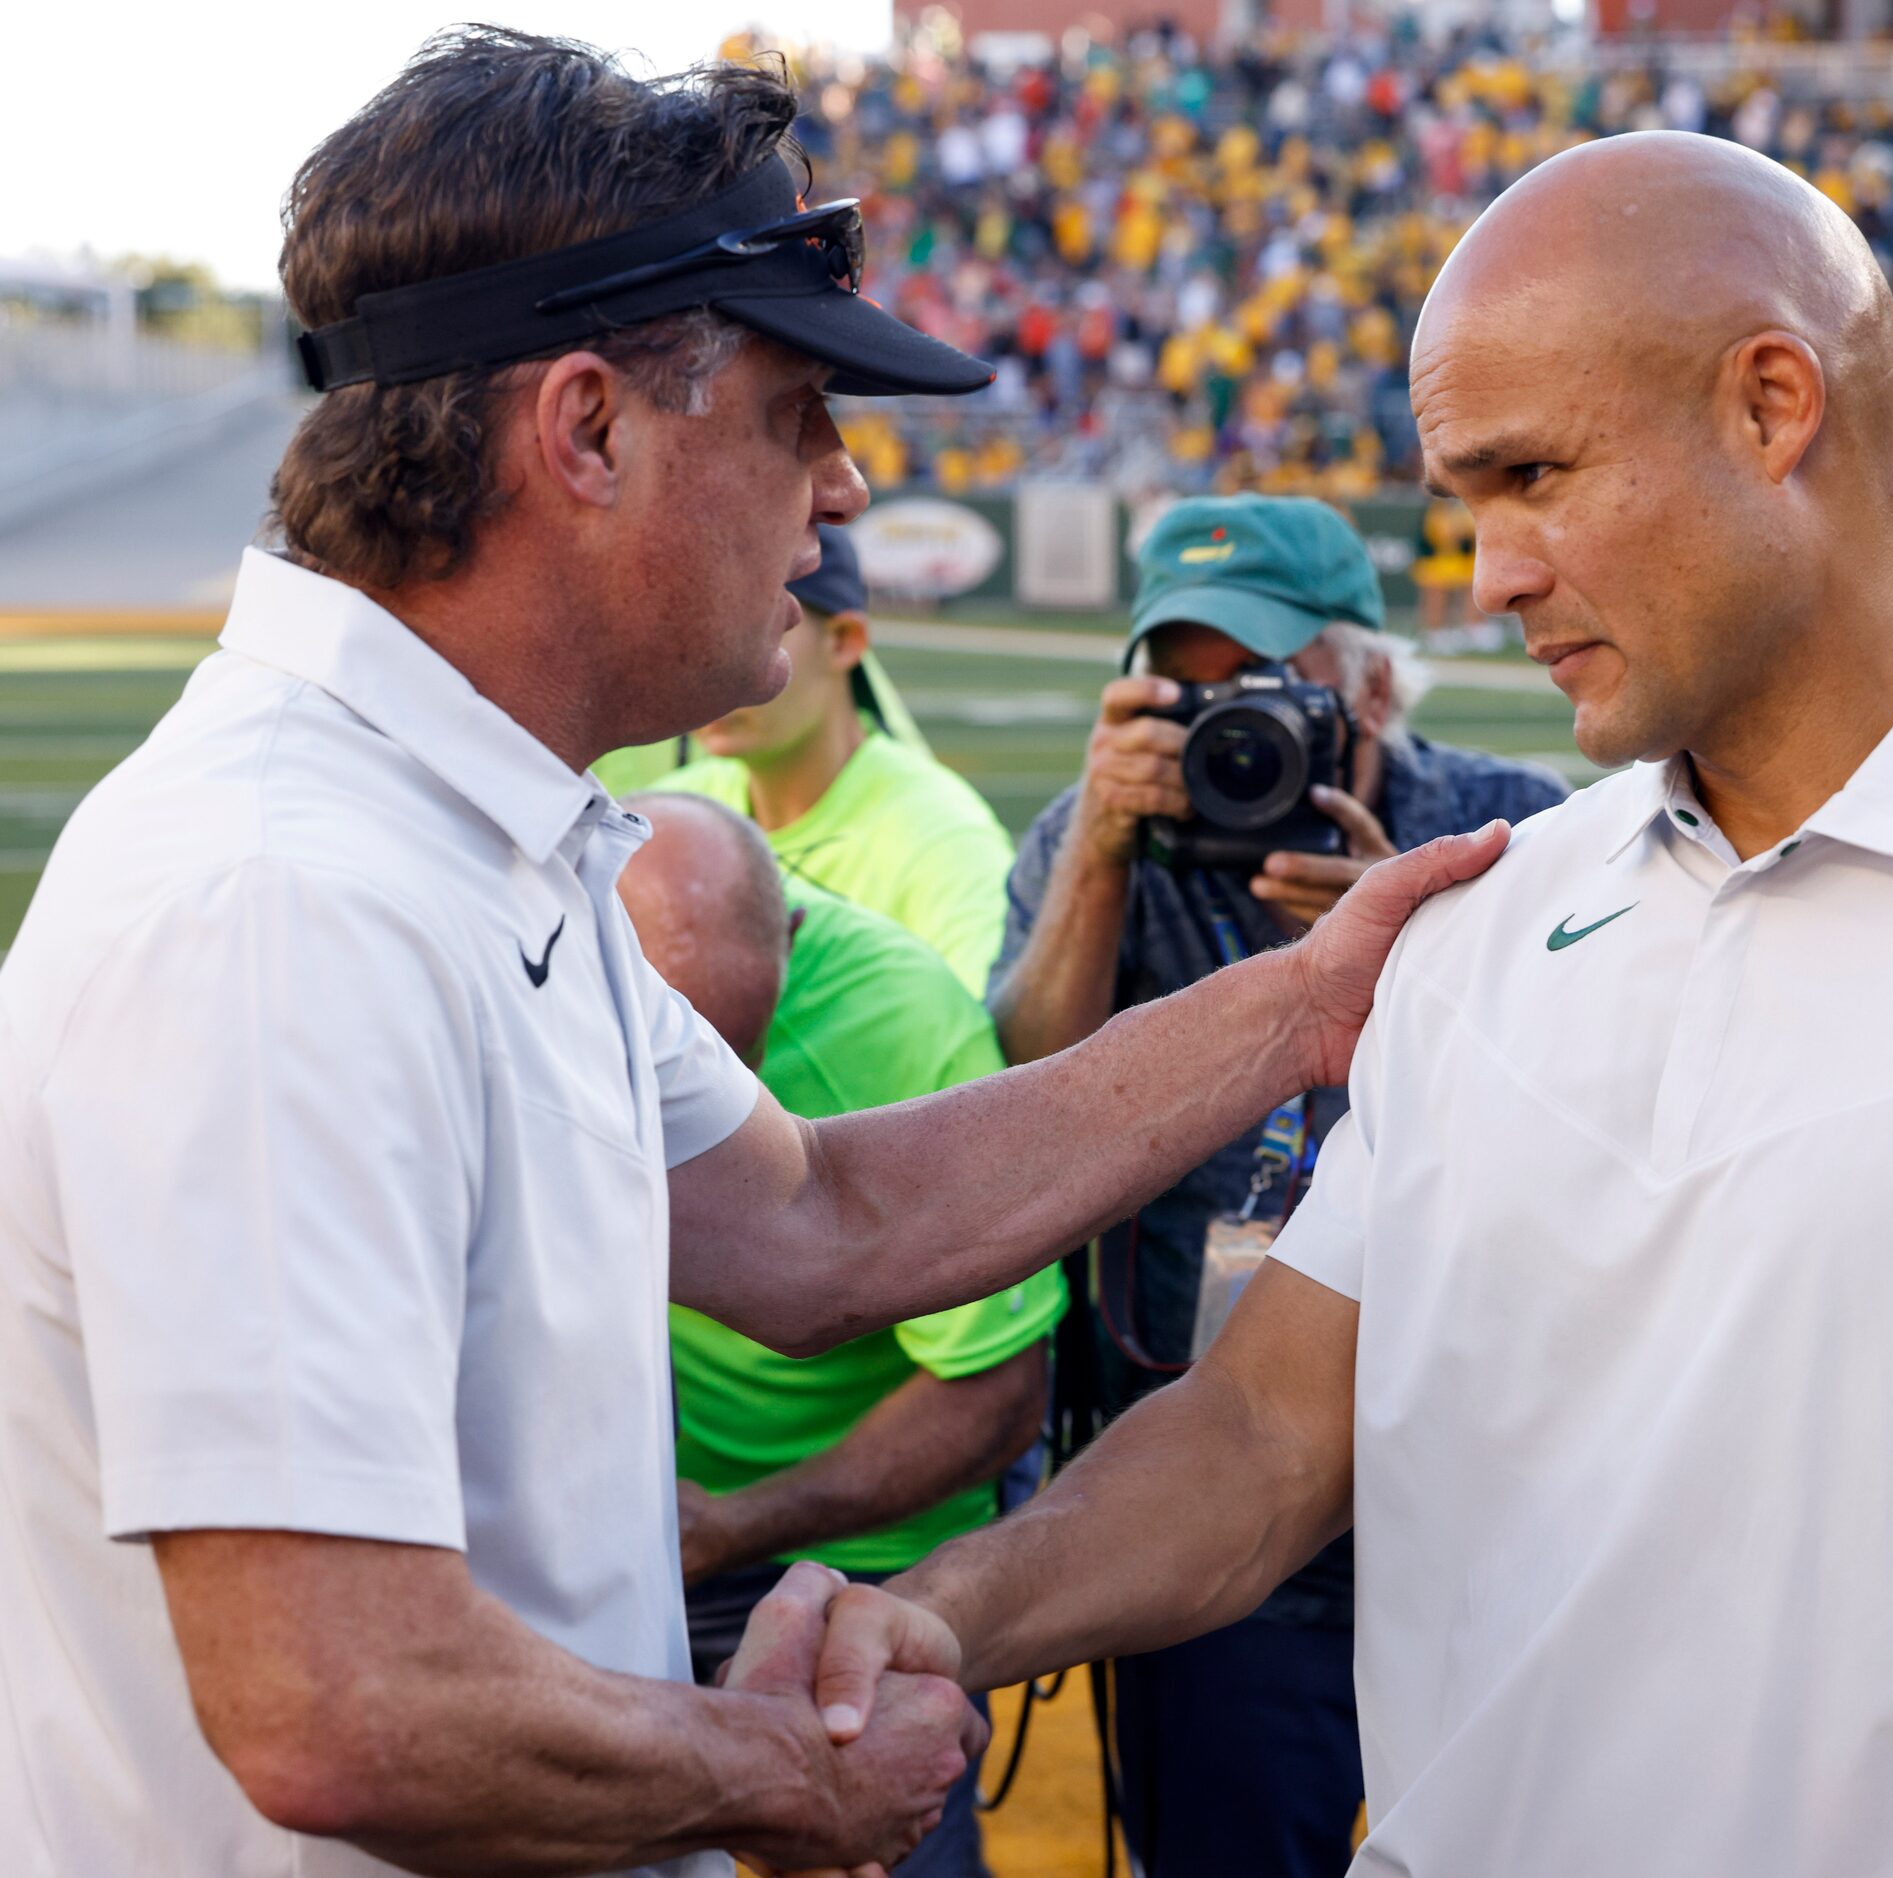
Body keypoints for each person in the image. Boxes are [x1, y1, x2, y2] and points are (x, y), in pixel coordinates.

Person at [0, 33, 1506, 1876]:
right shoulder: (288, 897)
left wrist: (1299, 1001)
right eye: (799, 410)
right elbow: (337, 1692)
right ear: (586, 429)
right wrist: (780, 1772)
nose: (848, 485)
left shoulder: (470, 838)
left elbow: (825, 1227)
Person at [809, 132, 1893, 1878]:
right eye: (1464, 503)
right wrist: (936, 1614)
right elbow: (1259, 1435)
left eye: (1532, 475)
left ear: (1770, 403)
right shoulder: (1490, 919)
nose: (1487, 575)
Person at [986, 491, 1567, 1878]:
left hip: (1469, 1483)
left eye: (1256, 676)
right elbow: (1023, 1091)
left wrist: (1426, 950)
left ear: (1367, 675)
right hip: (1210, 1489)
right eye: (1176, 684)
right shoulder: (1100, 838)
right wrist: (1097, 862)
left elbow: (1581, 1122)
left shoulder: (1501, 829)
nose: (1216, 717)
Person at [617, 793, 1061, 1878]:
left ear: (795, 942)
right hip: (637, 1530)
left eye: (725, 1058)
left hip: (857, 1557)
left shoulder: (906, 1029)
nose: (691, 1104)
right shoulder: (505, 967)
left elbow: (994, 1394)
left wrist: (732, 1525)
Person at [656, 524, 1012, 995]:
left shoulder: (945, 840)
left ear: (843, 640)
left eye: (746, 624)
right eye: (686, 627)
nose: (703, 663)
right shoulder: (666, 815)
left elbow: (980, 1046)